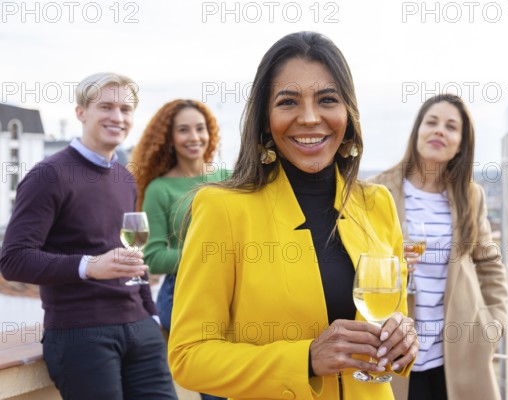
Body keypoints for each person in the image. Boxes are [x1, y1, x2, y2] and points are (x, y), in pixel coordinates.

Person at [167, 31, 419, 400]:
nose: (310, 117)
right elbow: (188, 357)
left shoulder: (378, 204)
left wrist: (404, 338)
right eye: (288, 102)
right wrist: (305, 360)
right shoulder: (220, 208)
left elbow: (393, 317)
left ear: (347, 113)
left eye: (327, 99)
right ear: (265, 119)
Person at [0, 73, 177, 400]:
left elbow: (132, 257)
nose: (117, 117)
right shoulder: (48, 175)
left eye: (125, 109)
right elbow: (13, 260)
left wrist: (150, 314)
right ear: (81, 112)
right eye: (106, 106)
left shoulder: (125, 178)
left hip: (141, 330)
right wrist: (89, 266)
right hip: (81, 334)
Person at [369, 94, 508, 400]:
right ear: (417, 131)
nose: (439, 131)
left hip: (458, 357)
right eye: (431, 122)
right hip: (394, 353)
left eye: (451, 126)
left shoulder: (471, 196)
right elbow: (358, 262)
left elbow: (489, 265)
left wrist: (494, 323)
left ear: (461, 143)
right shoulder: (377, 192)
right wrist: (391, 260)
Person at [130, 99, 228, 400]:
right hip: (184, 294)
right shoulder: (160, 189)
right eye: (183, 130)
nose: (194, 137)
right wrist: (210, 255)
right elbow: (153, 256)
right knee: (217, 387)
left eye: (200, 128)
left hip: (233, 289)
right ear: (169, 138)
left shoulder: (228, 178)